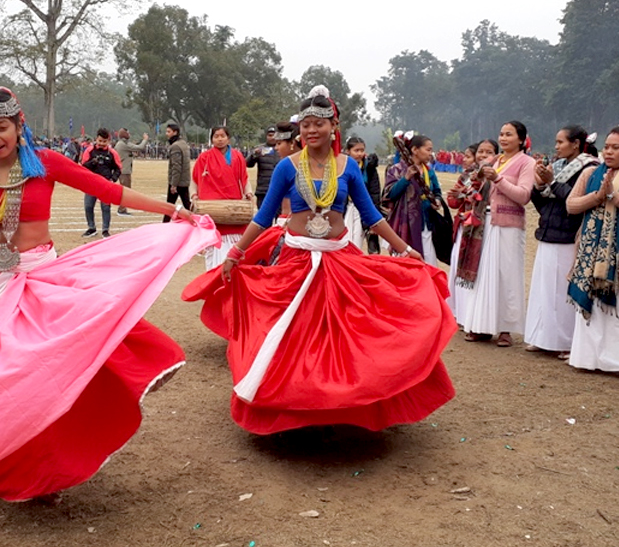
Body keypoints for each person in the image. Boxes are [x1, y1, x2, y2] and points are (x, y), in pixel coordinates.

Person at [0, 84, 217, 501]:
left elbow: (108, 191)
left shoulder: (46, 164)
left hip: (39, 281)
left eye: (1, 127)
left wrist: (173, 211)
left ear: (20, 126)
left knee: (42, 376)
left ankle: (43, 468)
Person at [182, 85, 455, 435]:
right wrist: (236, 253)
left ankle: (344, 408)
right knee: (293, 339)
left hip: (339, 259)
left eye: (318, 124)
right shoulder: (286, 166)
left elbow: (372, 215)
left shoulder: (347, 167)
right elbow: (264, 216)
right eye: (305, 124)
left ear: (333, 127)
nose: (311, 130)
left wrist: (403, 249)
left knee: (350, 338)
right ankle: (295, 411)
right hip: (295, 259)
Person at [565, 125, 619, 384]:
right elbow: (571, 205)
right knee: (591, 303)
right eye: (607, 147)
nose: (609, 152)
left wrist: (615, 197)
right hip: (589, 253)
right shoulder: (590, 173)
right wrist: (598, 197)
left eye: (616, 147)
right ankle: (587, 359)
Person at [459, 121, 536, 347]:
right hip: (485, 223)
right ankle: (481, 326)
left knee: (507, 275)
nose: (503, 138)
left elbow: (523, 196)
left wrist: (497, 179)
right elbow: (473, 189)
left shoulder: (526, 163)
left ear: (521, 139)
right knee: (483, 275)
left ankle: (505, 329)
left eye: (509, 135)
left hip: (509, 225)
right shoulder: (493, 161)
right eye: (501, 134)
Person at [524, 127, 599, 357]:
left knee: (563, 292)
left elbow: (576, 203)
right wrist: (539, 186)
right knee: (544, 290)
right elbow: (544, 206)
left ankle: (567, 341)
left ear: (575, 144)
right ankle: (543, 336)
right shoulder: (558, 166)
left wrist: (553, 182)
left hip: (569, 235)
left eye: (560, 142)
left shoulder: (589, 168)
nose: (556, 147)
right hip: (549, 231)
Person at [446, 140, 498, 322]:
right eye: (480, 152)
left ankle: (471, 315)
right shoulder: (469, 175)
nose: (483, 155)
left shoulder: (497, 175)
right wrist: (458, 195)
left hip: (486, 229)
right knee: (458, 269)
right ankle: (458, 312)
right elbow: (453, 202)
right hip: (465, 227)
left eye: (488, 152)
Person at [192, 126, 254, 269]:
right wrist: (194, 195)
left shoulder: (238, 156)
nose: (219, 139)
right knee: (213, 257)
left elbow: (244, 179)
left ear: (228, 138)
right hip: (212, 211)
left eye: (222, 136)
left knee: (236, 258)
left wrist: (249, 193)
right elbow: (194, 180)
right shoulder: (204, 158)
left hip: (234, 211)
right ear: (212, 139)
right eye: (216, 136)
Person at [382, 133, 445, 265]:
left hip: (426, 224)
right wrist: (406, 178)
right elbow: (389, 194)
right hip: (405, 225)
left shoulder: (429, 171)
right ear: (415, 150)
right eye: (428, 150)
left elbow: (437, 192)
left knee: (428, 264)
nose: (430, 154)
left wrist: (437, 201)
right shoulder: (396, 169)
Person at [81, 128, 122, 238]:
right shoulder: (89, 151)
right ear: (96, 139)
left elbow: (118, 168)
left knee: (105, 207)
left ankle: (105, 230)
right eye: (100, 141)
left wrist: (112, 179)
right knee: (88, 206)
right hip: (91, 183)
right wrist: (92, 162)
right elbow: (83, 166)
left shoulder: (112, 153)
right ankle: (91, 228)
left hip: (106, 184)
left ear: (108, 141)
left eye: (104, 141)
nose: (102, 143)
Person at [343, 136, 381, 253]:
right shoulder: (341, 166)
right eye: (356, 150)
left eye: (361, 150)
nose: (359, 154)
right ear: (348, 151)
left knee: (357, 241)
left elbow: (375, 192)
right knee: (345, 239)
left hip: (362, 207)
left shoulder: (369, 169)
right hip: (346, 206)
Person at [114, 128, 149, 215]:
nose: (129, 134)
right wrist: (145, 140)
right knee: (126, 191)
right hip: (124, 171)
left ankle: (123, 208)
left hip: (124, 170)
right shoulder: (123, 144)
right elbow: (140, 148)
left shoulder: (121, 144)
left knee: (126, 190)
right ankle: (121, 209)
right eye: (128, 133)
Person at [246, 125, 279, 209]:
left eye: (275, 135)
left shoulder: (283, 148)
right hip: (263, 189)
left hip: (279, 189)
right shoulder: (259, 149)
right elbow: (248, 164)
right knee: (263, 218)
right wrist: (254, 155)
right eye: (270, 135)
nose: (272, 138)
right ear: (266, 136)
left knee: (280, 218)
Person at [164, 123, 191, 222]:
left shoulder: (175, 146)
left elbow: (176, 167)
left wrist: (173, 184)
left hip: (177, 182)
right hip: (184, 180)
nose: (167, 134)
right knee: (187, 205)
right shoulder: (183, 144)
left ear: (175, 132)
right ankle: (196, 221)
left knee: (169, 206)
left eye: (168, 131)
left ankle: (164, 225)